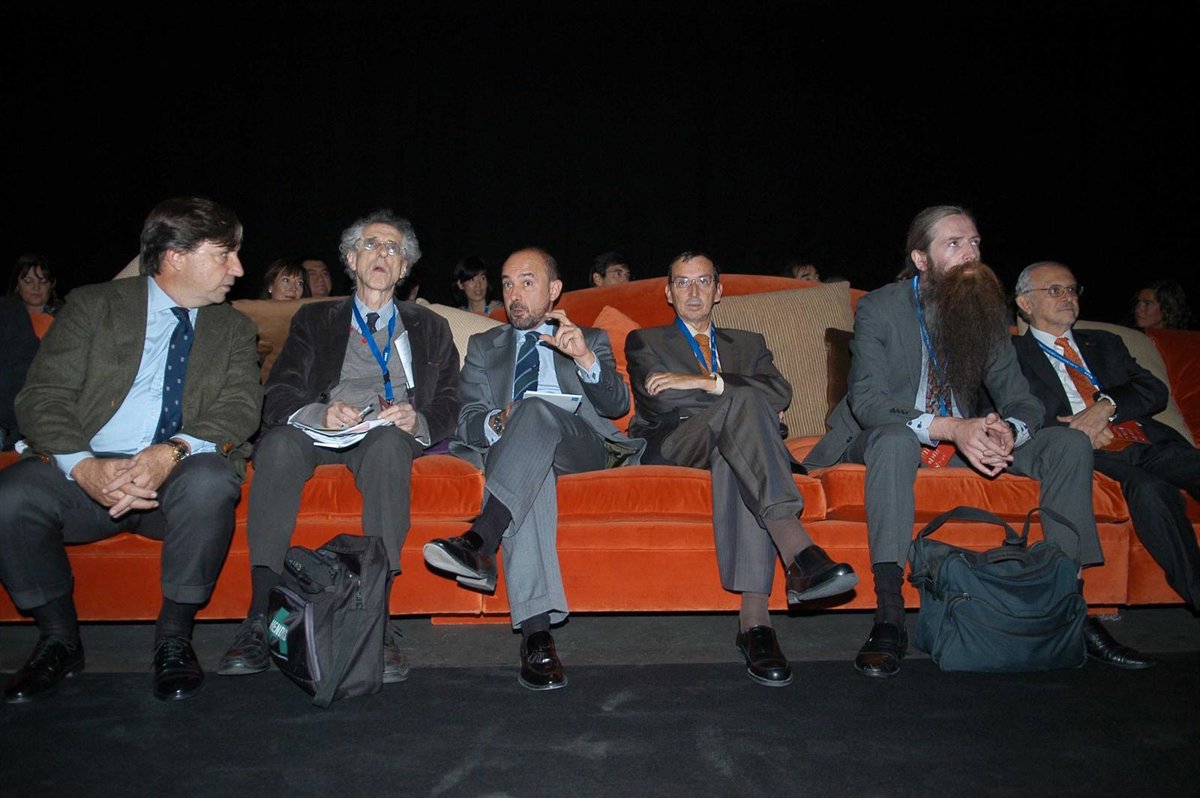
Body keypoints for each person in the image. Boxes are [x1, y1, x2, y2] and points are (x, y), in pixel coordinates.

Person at [804, 205, 1153, 677]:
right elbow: (868, 401)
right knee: (895, 442)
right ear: (921, 259)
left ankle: (1071, 605)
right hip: (886, 432)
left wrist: (1009, 430)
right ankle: (889, 612)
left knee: (1068, 445)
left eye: (974, 243)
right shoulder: (880, 307)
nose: (970, 254)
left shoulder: (985, 313)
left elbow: (1022, 401)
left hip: (963, 440)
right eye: (954, 244)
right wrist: (952, 428)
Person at [0, 197, 262, 703]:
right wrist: (83, 466)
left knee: (212, 481)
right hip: (86, 471)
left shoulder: (232, 327)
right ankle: (58, 639)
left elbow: (240, 406)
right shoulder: (93, 306)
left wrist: (172, 452)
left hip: (176, 477)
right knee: (10, 496)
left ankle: (174, 638)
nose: (238, 268)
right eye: (224, 254)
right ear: (176, 256)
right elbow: (42, 396)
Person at [216, 210, 460, 683]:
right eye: (371, 244)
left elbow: (451, 400)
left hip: (386, 432)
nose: (381, 254)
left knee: (389, 447)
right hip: (321, 428)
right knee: (277, 447)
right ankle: (260, 615)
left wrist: (419, 420)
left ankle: (375, 621)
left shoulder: (429, 325)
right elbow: (280, 392)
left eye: (393, 249)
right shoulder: (315, 318)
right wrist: (318, 413)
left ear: (404, 267)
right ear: (351, 259)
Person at [625, 252, 856, 687]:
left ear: (719, 291)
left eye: (703, 281)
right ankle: (800, 553)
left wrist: (706, 382)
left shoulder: (748, 343)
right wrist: (734, 394)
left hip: (735, 445)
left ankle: (755, 626)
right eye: (682, 283)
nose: (693, 291)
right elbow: (662, 399)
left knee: (735, 450)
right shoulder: (645, 340)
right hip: (677, 442)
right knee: (746, 404)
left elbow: (781, 392)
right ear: (669, 293)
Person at [422, 247, 643, 690]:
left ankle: (481, 536)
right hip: (519, 455)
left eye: (527, 282)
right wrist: (498, 421)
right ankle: (537, 637)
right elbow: (467, 419)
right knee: (530, 463)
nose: (514, 294)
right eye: (507, 284)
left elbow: (618, 406)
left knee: (535, 409)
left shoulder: (588, 338)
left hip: (580, 451)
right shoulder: (485, 346)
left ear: (554, 290)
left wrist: (584, 358)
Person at [1013, 261, 1200, 609]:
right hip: (1091, 451)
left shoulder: (1105, 343)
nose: (1068, 297)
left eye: (1072, 289)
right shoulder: (1010, 354)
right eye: (1054, 290)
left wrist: (1105, 407)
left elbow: (1153, 390)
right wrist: (1077, 430)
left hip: (1144, 440)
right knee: (1150, 490)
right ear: (1026, 303)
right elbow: (1011, 413)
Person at [10, 253, 61, 339]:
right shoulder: (7, 317)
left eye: (43, 281)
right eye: (28, 281)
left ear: (52, 284)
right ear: (17, 285)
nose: (36, 287)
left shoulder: (65, 316)